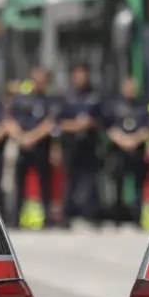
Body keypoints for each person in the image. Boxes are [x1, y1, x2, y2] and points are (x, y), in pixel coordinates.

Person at [5, 67, 57, 228]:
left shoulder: (50, 101)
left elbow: (49, 124)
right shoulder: (20, 100)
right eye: (36, 80)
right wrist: (22, 137)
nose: (39, 83)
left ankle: (47, 219)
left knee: (45, 184)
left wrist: (31, 138)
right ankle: (15, 219)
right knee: (18, 184)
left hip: (41, 148)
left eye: (42, 80)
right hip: (22, 147)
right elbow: (8, 120)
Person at [57, 63, 103, 229]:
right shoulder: (66, 97)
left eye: (83, 74)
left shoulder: (94, 96)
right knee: (70, 181)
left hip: (89, 144)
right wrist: (77, 125)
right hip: (70, 145)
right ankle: (67, 216)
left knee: (90, 180)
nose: (80, 78)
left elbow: (100, 120)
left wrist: (89, 124)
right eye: (77, 74)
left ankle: (92, 215)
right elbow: (58, 123)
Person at [105, 76, 149, 225]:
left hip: (137, 150)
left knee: (138, 185)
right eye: (128, 86)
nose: (131, 90)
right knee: (118, 183)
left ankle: (137, 217)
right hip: (119, 150)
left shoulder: (143, 105)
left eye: (133, 87)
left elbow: (148, 128)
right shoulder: (113, 105)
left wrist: (134, 140)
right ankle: (117, 217)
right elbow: (109, 127)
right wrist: (123, 141)